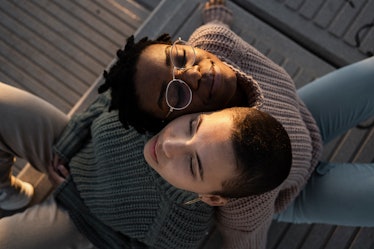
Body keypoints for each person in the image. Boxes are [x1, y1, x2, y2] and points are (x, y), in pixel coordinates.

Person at [1, 0, 373, 248]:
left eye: (180, 56)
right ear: (167, 117)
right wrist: (69, 152)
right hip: (281, 190)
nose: (191, 73)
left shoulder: (210, 47)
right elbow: (245, 238)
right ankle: (8, 191)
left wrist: (216, 18)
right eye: (175, 95)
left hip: (303, 120)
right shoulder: (234, 195)